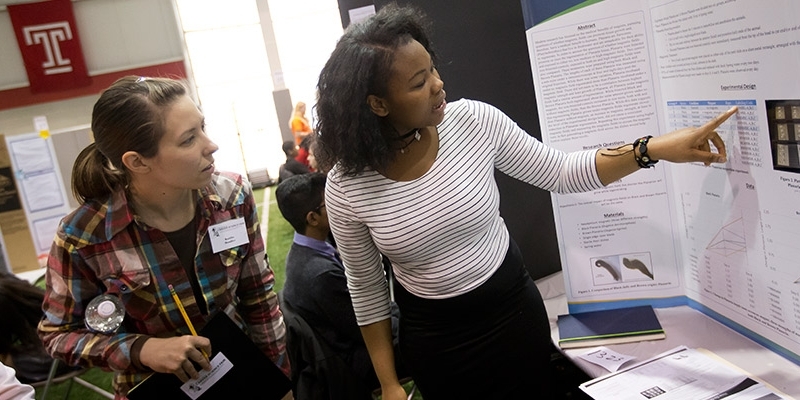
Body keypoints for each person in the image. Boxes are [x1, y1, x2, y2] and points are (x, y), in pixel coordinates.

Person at [313, 4, 737, 400]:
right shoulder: (347, 187)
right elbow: (366, 287)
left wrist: (655, 149)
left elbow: (563, 172)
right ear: (377, 104)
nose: (439, 84)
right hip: (437, 343)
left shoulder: (473, 122)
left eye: (433, 69)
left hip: (513, 315)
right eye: (419, 82)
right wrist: (389, 383)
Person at [37, 76, 290, 399]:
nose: (210, 145)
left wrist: (278, 380)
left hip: (242, 375)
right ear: (137, 162)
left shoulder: (233, 198)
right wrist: (142, 349)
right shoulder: (84, 237)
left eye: (203, 127)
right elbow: (58, 334)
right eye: (188, 140)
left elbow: (260, 298)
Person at [276, 173, 404, 397]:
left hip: (343, 346)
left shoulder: (304, 252)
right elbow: (368, 325)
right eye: (330, 202)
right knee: (430, 334)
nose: (339, 204)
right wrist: (409, 320)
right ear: (312, 218)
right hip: (352, 362)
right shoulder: (319, 275)